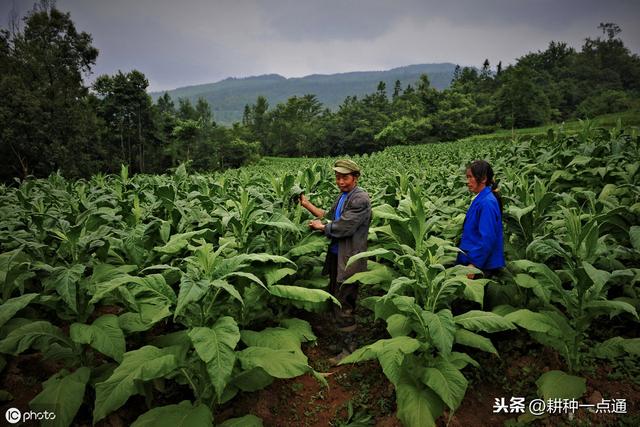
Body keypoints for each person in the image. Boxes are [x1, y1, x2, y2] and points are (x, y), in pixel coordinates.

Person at [300, 159, 372, 334]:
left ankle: (348, 348)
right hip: (336, 255)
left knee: (344, 301)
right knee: (335, 296)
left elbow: (344, 226)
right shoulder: (342, 196)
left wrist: (322, 227)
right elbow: (329, 216)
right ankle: (341, 340)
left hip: (349, 259)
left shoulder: (360, 198)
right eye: (338, 177)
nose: (340, 182)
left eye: (345, 178)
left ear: (355, 178)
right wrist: (307, 204)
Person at [457, 160, 505, 278]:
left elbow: (487, 238)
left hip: (481, 265)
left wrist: (474, 264)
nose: (467, 182)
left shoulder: (487, 203)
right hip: (476, 260)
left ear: (483, 179)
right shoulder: (483, 198)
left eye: (470, 177)